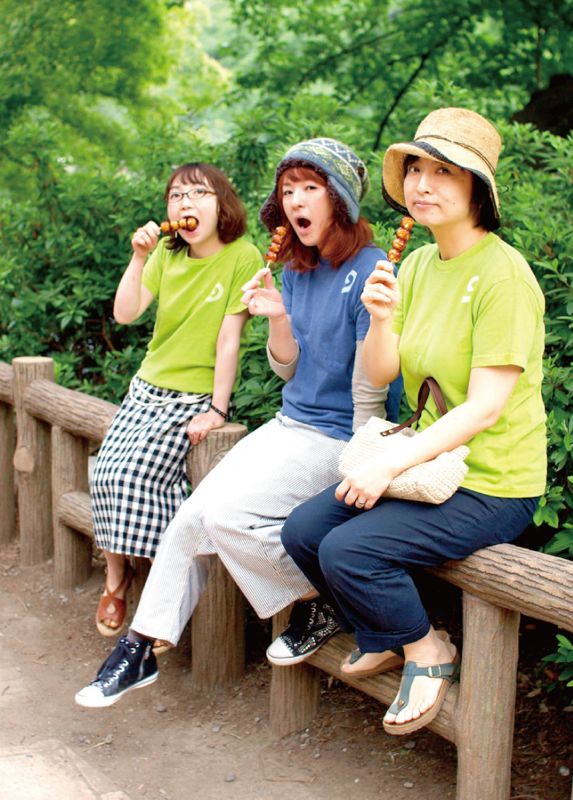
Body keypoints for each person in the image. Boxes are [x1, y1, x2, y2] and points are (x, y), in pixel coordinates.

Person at [75, 137, 394, 708]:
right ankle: (141, 647)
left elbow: (372, 385)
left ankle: (328, 597)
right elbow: (287, 368)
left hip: (342, 434)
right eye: (288, 190)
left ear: (339, 199)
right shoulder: (296, 268)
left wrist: (363, 458)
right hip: (290, 423)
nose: (295, 201)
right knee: (191, 515)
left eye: (310, 188)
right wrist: (278, 318)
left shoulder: (371, 270)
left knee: (227, 517)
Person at [272, 108, 547, 736]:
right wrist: (381, 320)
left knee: (350, 550)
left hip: (492, 481)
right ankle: (387, 634)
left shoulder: (505, 277)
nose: (422, 184)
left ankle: (429, 649)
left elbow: (485, 408)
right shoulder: (418, 264)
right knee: (304, 531)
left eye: (443, 172)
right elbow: (381, 370)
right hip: (428, 462)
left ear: (478, 190)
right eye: (416, 169)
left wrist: (388, 464)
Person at [91, 163, 261, 637]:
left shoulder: (243, 256)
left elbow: (229, 339)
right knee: (105, 473)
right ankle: (116, 576)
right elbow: (125, 313)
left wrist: (217, 409)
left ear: (222, 204)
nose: (185, 203)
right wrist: (138, 257)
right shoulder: (166, 253)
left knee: (141, 477)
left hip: (195, 395)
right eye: (176, 196)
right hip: (147, 386)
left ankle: (163, 596)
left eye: (198, 193)